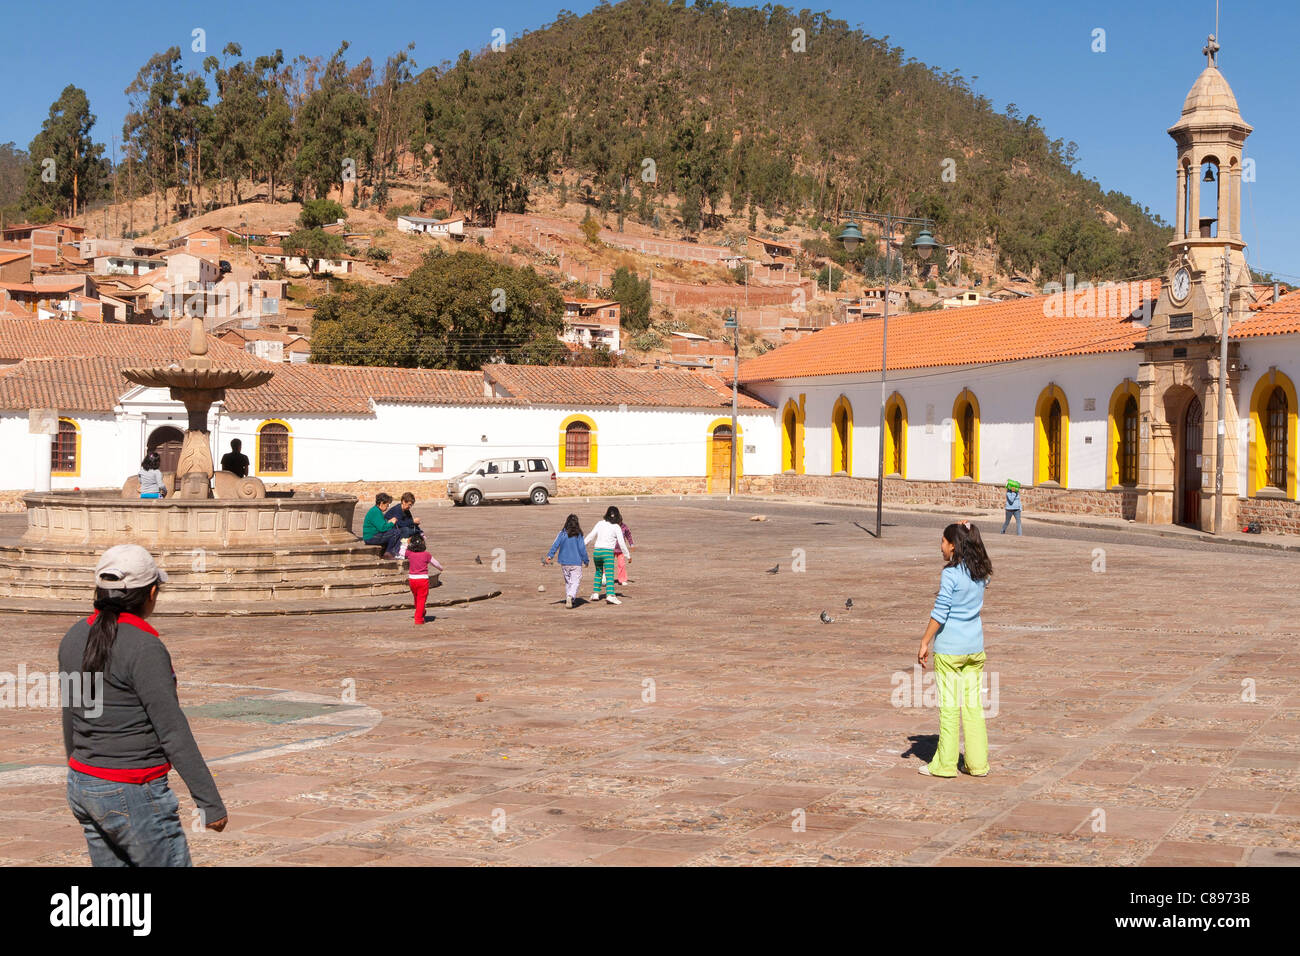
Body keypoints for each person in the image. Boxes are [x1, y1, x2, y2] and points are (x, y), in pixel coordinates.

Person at [59, 544, 227, 866]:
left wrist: (82, 770)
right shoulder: (145, 647)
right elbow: (172, 730)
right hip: (132, 789)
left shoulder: (73, 636)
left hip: (84, 783)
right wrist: (209, 803)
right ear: (151, 593)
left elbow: (71, 714)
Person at [916, 521, 992, 778]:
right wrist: (968, 532)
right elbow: (976, 551)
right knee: (973, 708)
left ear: (953, 545)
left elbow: (940, 611)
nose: (941, 547)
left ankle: (945, 764)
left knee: (949, 709)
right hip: (975, 649)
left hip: (950, 651)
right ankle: (977, 764)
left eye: (943, 542)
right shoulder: (981, 573)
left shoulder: (950, 574)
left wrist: (925, 640)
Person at [584, 506, 630, 605]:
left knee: (598, 572)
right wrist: (628, 555)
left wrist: (582, 546)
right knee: (609, 574)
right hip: (608, 553)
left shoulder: (600, 523)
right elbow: (621, 544)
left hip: (597, 552)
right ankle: (610, 595)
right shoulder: (616, 527)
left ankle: (595, 593)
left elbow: (591, 536)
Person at [544, 514, 589, 608]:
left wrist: (549, 556)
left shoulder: (562, 533)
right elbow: (582, 548)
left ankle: (570, 599)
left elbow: (555, 545)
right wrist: (586, 560)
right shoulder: (579, 535)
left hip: (564, 562)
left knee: (568, 581)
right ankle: (570, 596)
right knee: (575, 580)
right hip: (576, 562)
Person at [405, 535, 442, 625]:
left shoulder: (409, 553)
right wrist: (441, 568)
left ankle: (421, 611)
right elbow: (435, 563)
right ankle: (418, 619)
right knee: (421, 599)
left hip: (412, 580)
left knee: (416, 598)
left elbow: (400, 551)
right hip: (423, 580)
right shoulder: (426, 554)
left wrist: (406, 543)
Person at [363, 492, 402, 558]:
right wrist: (392, 523)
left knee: (394, 531)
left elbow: (381, 523)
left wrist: (388, 521)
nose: (387, 507)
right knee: (396, 532)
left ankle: (389, 551)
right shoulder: (376, 512)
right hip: (371, 537)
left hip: (373, 535)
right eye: (387, 505)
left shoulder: (376, 510)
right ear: (381, 503)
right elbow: (382, 528)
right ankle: (389, 552)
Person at [614, 513, 635, 587]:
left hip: (620, 550)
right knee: (608, 565)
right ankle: (605, 579)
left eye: (619, 522)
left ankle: (622, 580)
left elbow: (629, 536)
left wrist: (631, 544)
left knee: (621, 564)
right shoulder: (611, 526)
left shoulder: (624, 527)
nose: (618, 523)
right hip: (611, 549)